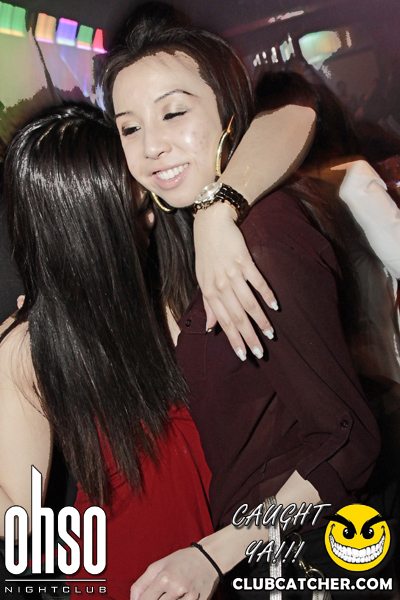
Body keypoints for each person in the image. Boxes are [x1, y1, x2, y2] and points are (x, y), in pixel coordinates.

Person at [98, 6, 381, 599]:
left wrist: (217, 552)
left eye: (174, 112)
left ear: (229, 113)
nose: (152, 147)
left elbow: (348, 440)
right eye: (129, 128)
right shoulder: (192, 231)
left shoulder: (262, 244)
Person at [0, 104, 214, 600]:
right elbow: (19, 515)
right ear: (87, 232)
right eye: (133, 213)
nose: (152, 218)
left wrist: (221, 213)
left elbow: (289, 121)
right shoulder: (32, 347)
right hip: (130, 581)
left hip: (214, 558)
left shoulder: (172, 282)